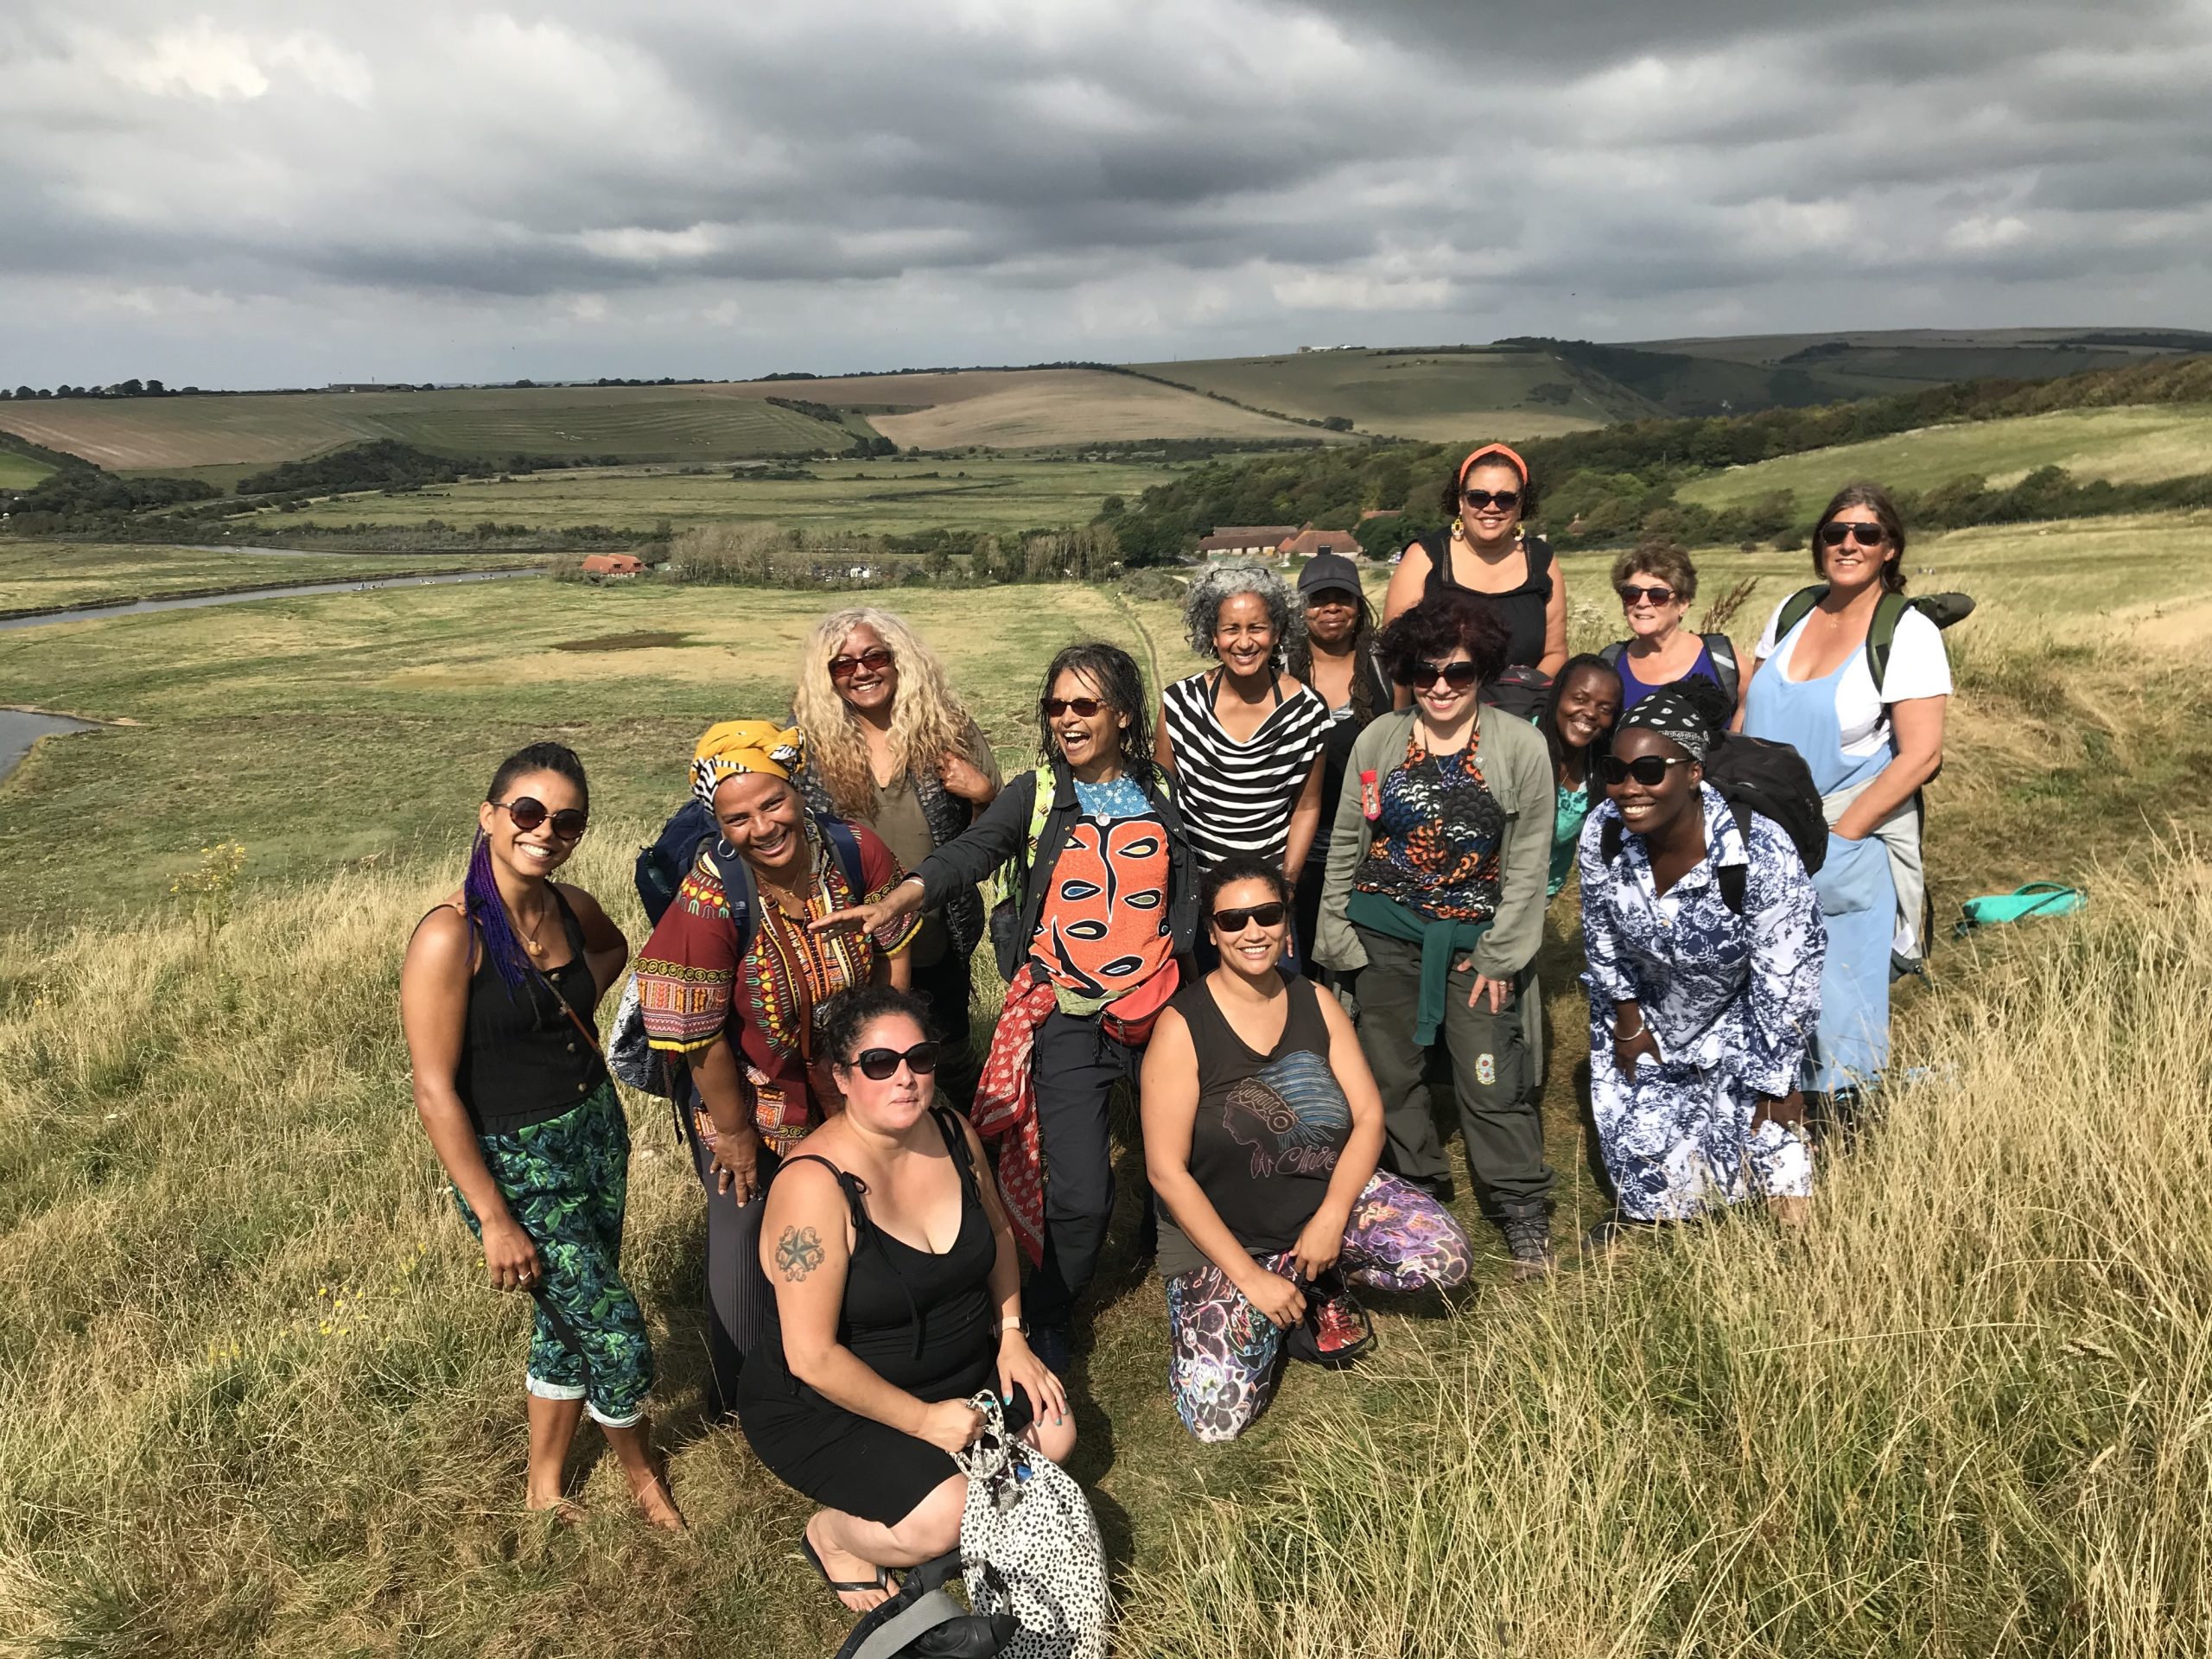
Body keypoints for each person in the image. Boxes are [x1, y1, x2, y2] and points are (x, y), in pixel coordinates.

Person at [817, 644, 1197, 1376]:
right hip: (1066, 1012)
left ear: (1122, 712)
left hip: (1160, 1009)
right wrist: (902, 896)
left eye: (1085, 705)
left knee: (1176, 1158)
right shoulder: (1038, 792)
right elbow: (973, 852)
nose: (1068, 719)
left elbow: (1194, 887)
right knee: (1083, 1193)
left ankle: (1178, 1269)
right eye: (1056, 706)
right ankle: (1048, 1312)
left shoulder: (1167, 795)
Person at [399, 742, 682, 1528]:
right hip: (518, 1164)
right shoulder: (449, 937)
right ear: (489, 816)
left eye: (566, 820)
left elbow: (614, 946)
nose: (545, 830)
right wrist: (493, 1217)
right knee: (617, 1333)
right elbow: (433, 1091)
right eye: (527, 812)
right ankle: (641, 1475)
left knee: (566, 1320)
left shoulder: (567, 906)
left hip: (595, 1132)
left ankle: (545, 1485)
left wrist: (573, 1000)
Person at [741, 987, 1074, 1615]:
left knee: (1055, 1435)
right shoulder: (814, 1188)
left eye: (919, 1059)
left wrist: (1011, 1334)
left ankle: (945, 1478)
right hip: (832, 1401)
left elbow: (999, 1232)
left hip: (956, 1366)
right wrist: (924, 1423)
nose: (905, 1078)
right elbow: (811, 1356)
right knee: (944, 1519)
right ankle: (835, 1538)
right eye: (879, 1064)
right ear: (839, 1077)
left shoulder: (951, 1132)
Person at [632, 721, 919, 1416]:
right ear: (719, 824)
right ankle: (745, 1394)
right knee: (747, 1231)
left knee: (868, 1210)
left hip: (850, 1086)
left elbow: (895, 942)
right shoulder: (710, 900)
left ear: (797, 791)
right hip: (752, 1101)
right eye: (738, 817)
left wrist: (884, 1061)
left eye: (773, 803)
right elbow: (700, 1038)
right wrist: (732, 1135)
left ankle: (860, 1354)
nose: (762, 826)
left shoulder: (854, 852)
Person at [1141, 855, 1471, 1442]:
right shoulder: (1182, 1027)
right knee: (1215, 1420)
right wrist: (1250, 1279)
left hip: (1321, 1204)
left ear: (1285, 921)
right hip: (1225, 1240)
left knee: (1445, 1260)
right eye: (1234, 920)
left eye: (1266, 914)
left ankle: (1322, 1277)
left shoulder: (1316, 1001)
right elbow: (1166, 1173)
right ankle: (1284, 1302)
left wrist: (1331, 1217)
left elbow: (1369, 1116)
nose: (1252, 931)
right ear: (1212, 933)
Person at [1313, 591, 1558, 1274]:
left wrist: (1502, 956)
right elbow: (1348, 844)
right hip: (1384, 933)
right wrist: (1340, 936)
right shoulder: (1378, 741)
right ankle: (1418, 1191)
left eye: (1458, 672)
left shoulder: (1520, 747)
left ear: (1482, 671)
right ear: (1406, 674)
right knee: (1389, 1077)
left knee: (1491, 1078)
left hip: (1475, 945)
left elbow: (1530, 859)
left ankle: (1519, 1206)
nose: (1441, 686)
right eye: (1425, 672)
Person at [1577, 690, 1825, 1247]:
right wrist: (1627, 1016)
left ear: (1692, 773)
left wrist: (1779, 1076)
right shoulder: (1604, 830)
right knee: (1640, 1127)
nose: (1628, 788)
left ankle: (1804, 1252)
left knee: (1769, 1123)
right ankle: (1655, 1222)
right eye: (1615, 770)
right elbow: (1598, 928)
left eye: (1648, 770)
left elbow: (1789, 974)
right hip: (1648, 997)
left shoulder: (1760, 854)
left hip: (1741, 999)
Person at [1740, 484, 1950, 1096]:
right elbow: (1748, 707)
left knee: (1839, 1006)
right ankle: (1764, 1133)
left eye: (1866, 534)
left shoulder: (1906, 633)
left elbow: (1921, 755)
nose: (1849, 544)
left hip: (1841, 846)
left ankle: (1846, 1146)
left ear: (1890, 548)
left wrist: (1846, 830)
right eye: (1836, 533)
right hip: (1756, 837)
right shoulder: (1792, 609)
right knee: (1761, 990)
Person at [791, 607, 1001, 1096]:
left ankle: (971, 1152)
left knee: (948, 1053)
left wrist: (984, 793)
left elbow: (996, 836)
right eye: (843, 664)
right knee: (860, 1060)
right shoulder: (806, 740)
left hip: (936, 929)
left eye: (873, 656)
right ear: (827, 677)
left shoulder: (948, 728)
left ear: (899, 659)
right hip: (847, 938)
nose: (861, 671)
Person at [1155, 563, 1330, 964]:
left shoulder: (1307, 712)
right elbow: (1162, 799)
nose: (1244, 642)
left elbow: (1306, 806)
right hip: (1194, 898)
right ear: (1212, 636)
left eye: (1257, 628)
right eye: (1231, 629)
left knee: (1274, 1012)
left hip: (1266, 902)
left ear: (1278, 633)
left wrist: (1285, 888)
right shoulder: (1178, 705)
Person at [1286, 550, 1393, 976]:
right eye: (1318, 599)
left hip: (1372, 838)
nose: (1331, 608)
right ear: (1300, 609)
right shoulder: (1279, 668)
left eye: (1343, 598)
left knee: (1365, 950)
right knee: (1305, 946)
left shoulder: (1385, 666)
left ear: (1359, 605)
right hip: (1299, 838)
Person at [1382, 442, 1567, 676]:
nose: (1491, 507)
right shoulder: (1424, 557)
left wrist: (1525, 696)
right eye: (1478, 497)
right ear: (1460, 502)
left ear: (1521, 506)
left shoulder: (1543, 560)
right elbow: (1394, 651)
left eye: (1506, 499)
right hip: (1437, 703)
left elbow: (1556, 653)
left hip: (1523, 707)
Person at [1600, 542, 1742, 715]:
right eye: (1632, 594)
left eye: (1657, 595)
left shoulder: (1723, 661)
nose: (1642, 603)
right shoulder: (1609, 664)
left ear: (1682, 604)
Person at [1538, 655, 1624, 899]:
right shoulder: (1522, 744)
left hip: (1545, 891)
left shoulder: (1599, 770)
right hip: (1489, 887)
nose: (1590, 713)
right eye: (1579, 699)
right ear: (1557, 695)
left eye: (1605, 708)